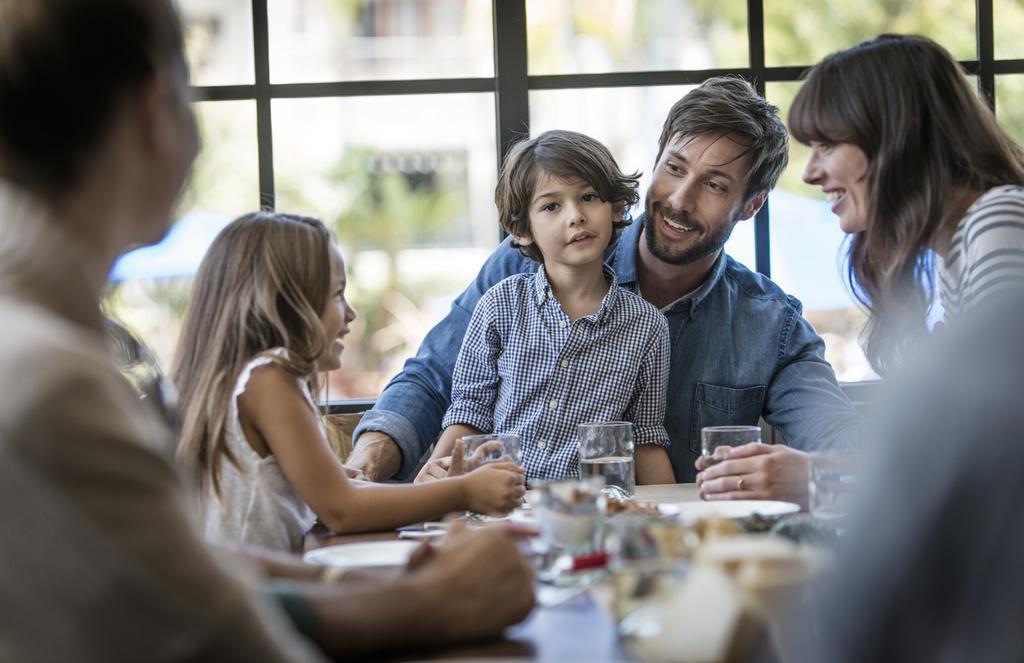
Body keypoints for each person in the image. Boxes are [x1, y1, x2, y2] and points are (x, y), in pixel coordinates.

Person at [0, 1, 533, 660]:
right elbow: (216, 633)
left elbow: (196, 567)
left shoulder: (54, 340)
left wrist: (345, 577)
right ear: (153, 112)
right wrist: (442, 598)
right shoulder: (53, 381)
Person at [350, 76, 862, 506]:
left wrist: (814, 475)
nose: (679, 200)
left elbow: (844, 445)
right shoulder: (525, 265)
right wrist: (367, 463)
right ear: (656, 161)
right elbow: (434, 377)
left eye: (714, 185)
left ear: (751, 205)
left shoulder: (771, 324)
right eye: (675, 169)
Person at [173, 212, 525, 553]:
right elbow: (342, 509)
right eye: (337, 294)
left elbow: (334, 491)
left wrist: (349, 480)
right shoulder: (270, 377)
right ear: (285, 302)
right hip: (260, 604)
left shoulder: (242, 378)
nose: (351, 313)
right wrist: (463, 491)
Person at [417, 130, 674, 484]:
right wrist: (428, 485)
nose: (575, 216)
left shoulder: (647, 325)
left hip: (592, 514)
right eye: (551, 206)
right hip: (501, 508)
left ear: (615, 207)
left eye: (588, 197)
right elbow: (470, 411)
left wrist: (674, 521)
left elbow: (645, 437)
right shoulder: (499, 305)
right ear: (522, 230)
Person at [790, 33, 1024, 376]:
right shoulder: (957, 251)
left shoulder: (996, 221)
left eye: (826, 146)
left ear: (898, 135)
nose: (809, 174)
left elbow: (999, 414)